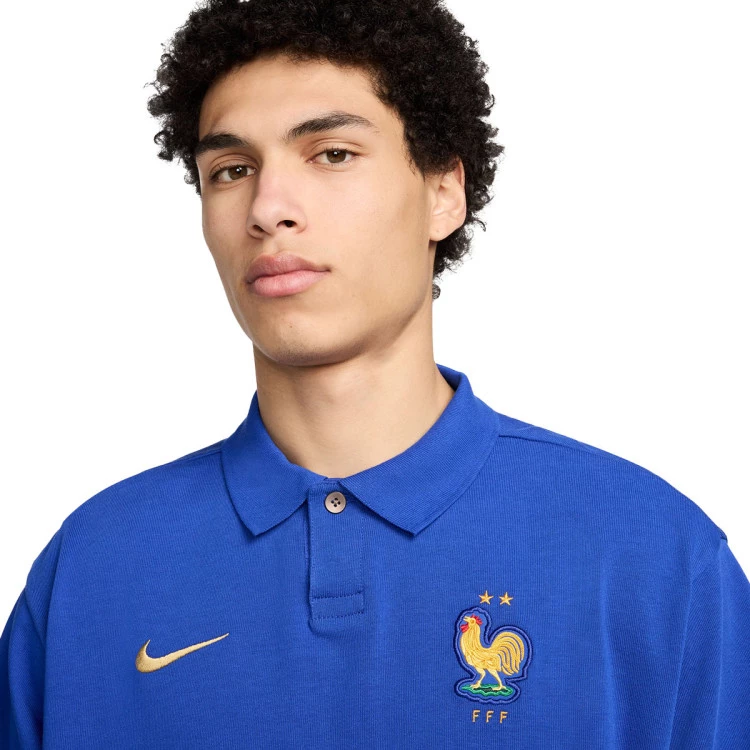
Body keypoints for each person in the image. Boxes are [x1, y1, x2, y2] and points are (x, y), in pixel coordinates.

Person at [2, 0, 749, 747]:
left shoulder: (655, 557)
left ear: (443, 193)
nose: (268, 208)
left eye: (332, 154)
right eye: (232, 170)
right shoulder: (89, 571)